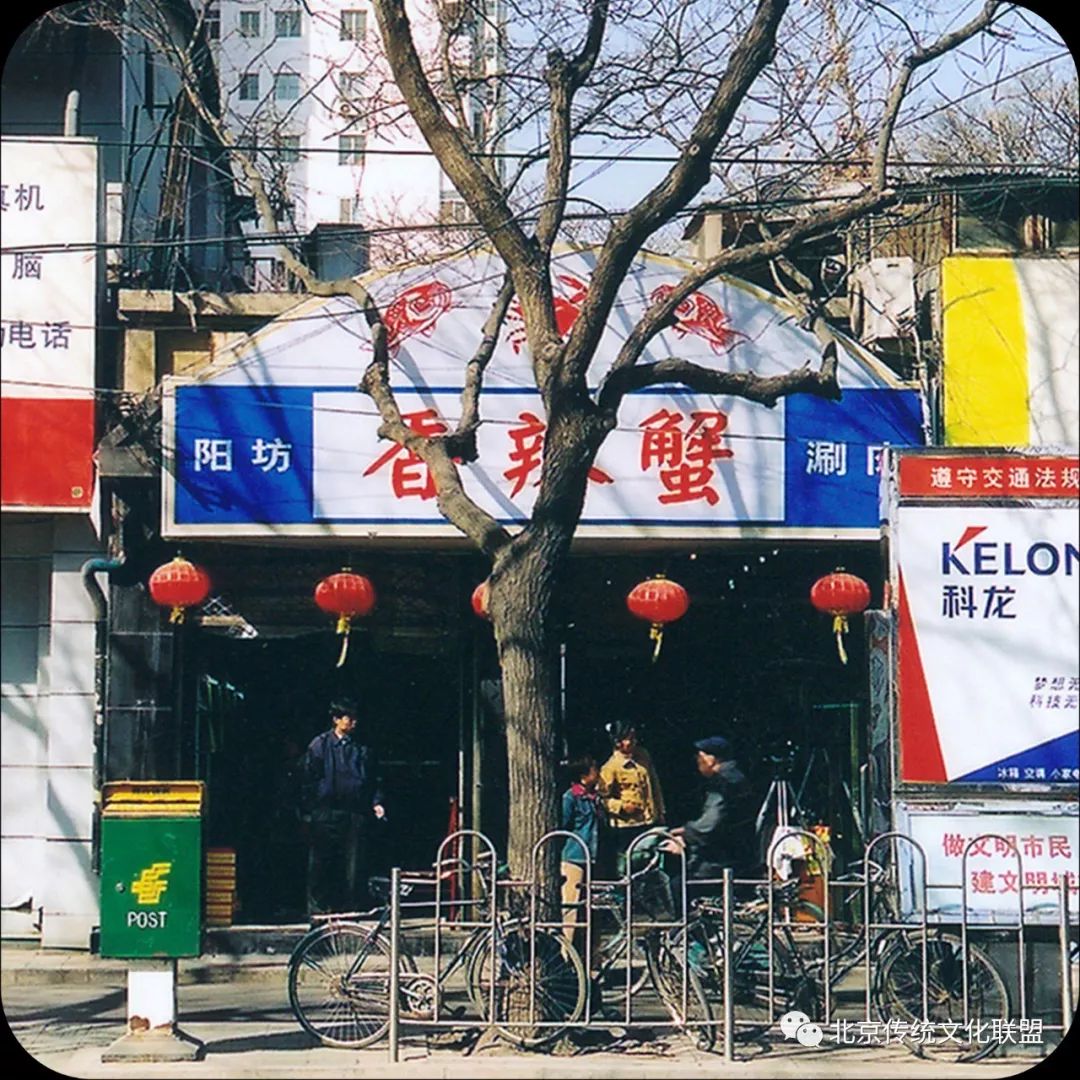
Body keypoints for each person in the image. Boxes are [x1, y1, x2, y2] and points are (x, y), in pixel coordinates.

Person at [299, 699, 385, 914]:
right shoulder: (319, 745)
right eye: (349, 718)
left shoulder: (362, 748)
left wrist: (376, 802)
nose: (354, 722)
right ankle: (318, 912)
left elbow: (374, 779)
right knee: (321, 863)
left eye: (355, 718)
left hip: (354, 811)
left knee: (354, 864)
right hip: (326, 811)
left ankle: (350, 909)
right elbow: (308, 778)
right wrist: (311, 810)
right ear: (336, 720)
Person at [663, 734, 753, 889]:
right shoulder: (737, 777)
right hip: (739, 851)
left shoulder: (722, 782)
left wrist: (686, 837)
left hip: (721, 858)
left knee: (677, 886)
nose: (698, 761)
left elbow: (713, 821)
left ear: (712, 759)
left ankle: (685, 914)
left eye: (700, 757)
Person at [599, 723, 666, 876]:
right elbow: (602, 798)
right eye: (629, 739)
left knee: (650, 862)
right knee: (627, 865)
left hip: (649, 820)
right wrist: (621, 806)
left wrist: (661, 811)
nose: (633, 742)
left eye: (634, 738)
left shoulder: (643, 756)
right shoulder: (610, 767)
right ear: (618, 742)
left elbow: (654, 784)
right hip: (626, 826)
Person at [560, 755, 604, 946]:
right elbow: (563, 824)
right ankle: (566, 953)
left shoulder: (595, 799)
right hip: (575, 857)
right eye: (595, 771)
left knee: (593, 907)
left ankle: (591, 955)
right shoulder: (571, 797)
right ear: (584, 776)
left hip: (594, 857)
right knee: (571, 907)